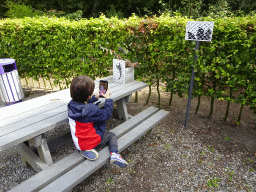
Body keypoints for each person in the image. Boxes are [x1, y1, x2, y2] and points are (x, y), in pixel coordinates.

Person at [67, 75, 128, 168]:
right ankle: (115, 155)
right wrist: (108, 99)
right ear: (88, 95)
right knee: (111, 135)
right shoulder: (91, 110)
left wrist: (95, 97)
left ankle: (85, 150)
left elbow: (83, 103)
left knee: (90, 123)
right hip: (90, 141)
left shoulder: (71, 105)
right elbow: (107, 115)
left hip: (78, 142)